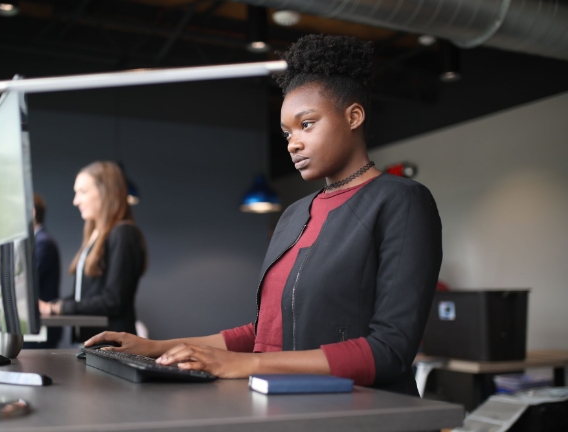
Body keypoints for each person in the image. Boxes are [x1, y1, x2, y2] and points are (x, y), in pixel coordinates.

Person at [83, 34, 442, 396]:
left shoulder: (402, 201)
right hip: (289, 406)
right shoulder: (294, 215)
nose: (293, 143)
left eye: (307, 124)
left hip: (366, 413)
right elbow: (265, 333)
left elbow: (389, 351)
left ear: (353, 116)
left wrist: (247, 364)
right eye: (286, 132)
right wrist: (156, 346)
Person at [39, 161, 147, 342]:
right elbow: (86, 296)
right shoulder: (94, 236)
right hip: (91, 345)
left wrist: (60, 308)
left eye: (83, 192)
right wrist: (52, 306)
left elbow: (113, 300)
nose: (76, 200)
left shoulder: (123, 233)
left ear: (106, 192)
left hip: (111, 349)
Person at [26, 193, 63, 349]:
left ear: (32, 212)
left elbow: (27, 280)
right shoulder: (37, 242)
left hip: (42, 327)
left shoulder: (43, 244)